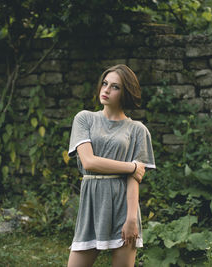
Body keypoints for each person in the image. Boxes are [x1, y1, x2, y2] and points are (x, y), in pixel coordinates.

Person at [67, 64, 155, 267]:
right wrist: (131, 167)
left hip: (124, 207)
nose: (106, 90)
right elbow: (89, 162)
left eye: (115, 87)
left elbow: (135, 179)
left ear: (126, 93)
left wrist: (131, 219)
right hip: (92, 205)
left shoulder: (138, 130)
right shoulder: (84, 119)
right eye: (105, 84)